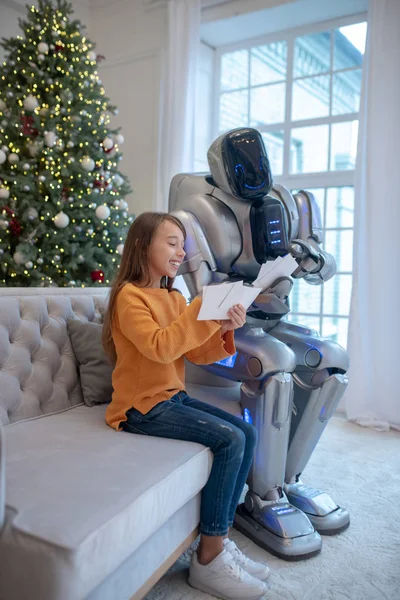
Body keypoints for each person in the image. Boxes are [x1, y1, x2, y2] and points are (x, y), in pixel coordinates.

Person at [102, 212, 269, 600]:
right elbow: (160, 347)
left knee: (245, 431)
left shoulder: (175, 297)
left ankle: (219, 540)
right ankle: (208, 559)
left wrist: (224, 326)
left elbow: (195, 353)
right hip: (138, 409)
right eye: (172, 243)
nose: (181, 252)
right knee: (229, 439)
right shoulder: (130, 297)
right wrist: (199, 311)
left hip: (169, 398)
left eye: (183, 244)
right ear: (143, 246)